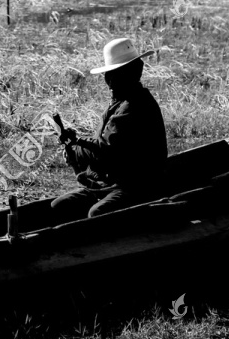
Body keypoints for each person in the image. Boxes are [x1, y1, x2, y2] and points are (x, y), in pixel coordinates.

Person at [51, 38, 168, 222]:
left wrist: (77, 144)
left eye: (113, 75)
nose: (109, 82)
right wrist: (74, 150)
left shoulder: (134, 106)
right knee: (59, 206)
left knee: (96, 215)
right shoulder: (119, 104)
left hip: (136, 185)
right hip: (109, 183)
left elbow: (104, 150)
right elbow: (100, 144)